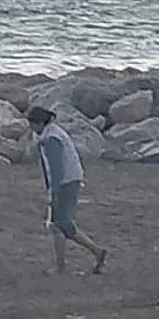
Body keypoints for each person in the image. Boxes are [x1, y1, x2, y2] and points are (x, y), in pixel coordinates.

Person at [27, 106, 108, 275]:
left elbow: (56, 169)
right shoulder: (52, 133)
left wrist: (54, 193)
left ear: (40, 123)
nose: (31, 127)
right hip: (70, 180)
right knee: (64, 225)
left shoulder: (51, 138)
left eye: (33, 123)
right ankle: (96, 252)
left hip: (66, 182)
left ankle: (62, 266)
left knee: (58, 225)